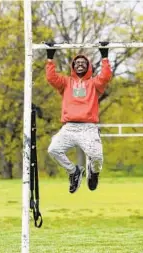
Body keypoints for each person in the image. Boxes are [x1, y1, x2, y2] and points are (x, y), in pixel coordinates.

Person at [45, 41, 112, 194]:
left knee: (96, 157)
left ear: (88, 67)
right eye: (77, 63)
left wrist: (104, 56)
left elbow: (106, 76)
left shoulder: (94, 83)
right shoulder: (66, 82)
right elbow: (51, 78)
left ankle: (93, 173)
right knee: (53, 150)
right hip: (69, 128)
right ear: (73, 67)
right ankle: (73, 172)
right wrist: (50, 57)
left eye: (83, 63)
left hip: (88, 128)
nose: (80, 65)